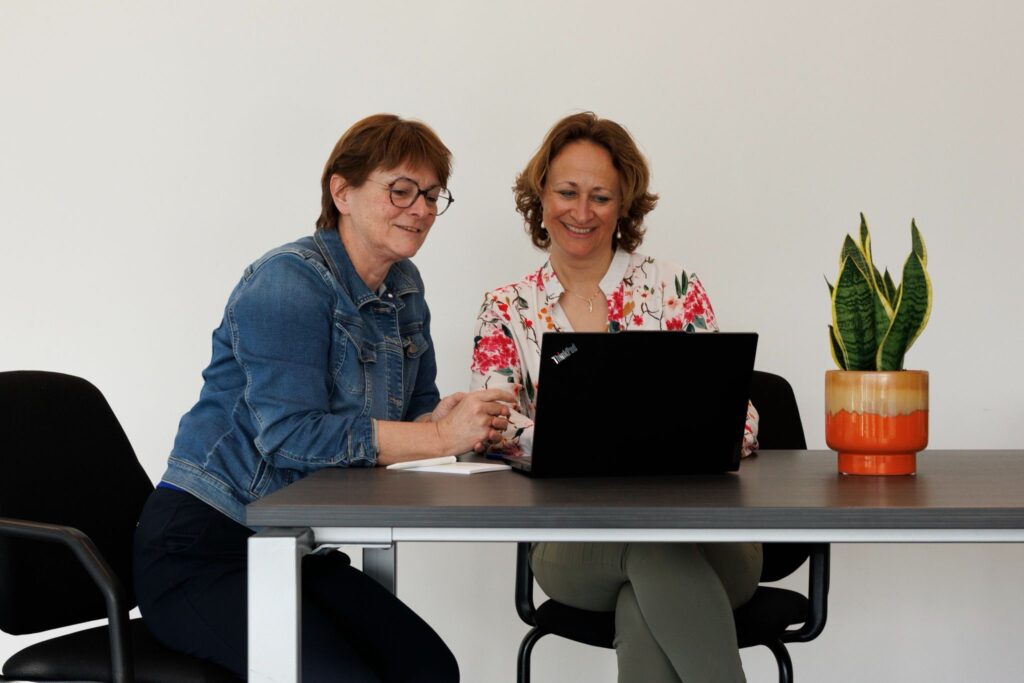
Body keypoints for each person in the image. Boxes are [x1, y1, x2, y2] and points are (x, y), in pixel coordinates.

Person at [134, 114, 513, 681]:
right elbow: (289, 439)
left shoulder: (404, 286)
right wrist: (436, 437)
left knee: (430, 669)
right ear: (342, 192)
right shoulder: (286, 283)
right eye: (401, 190)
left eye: (432, 195)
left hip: (292, 546)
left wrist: (443, 421)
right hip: (203, 548)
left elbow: (408, 420)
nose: (421, 209)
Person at [470, 112, 761, 683]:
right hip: (573, 545)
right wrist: (596, 443)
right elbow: (491, 425)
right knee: (651, 554)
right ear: (540, 196)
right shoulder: (506, 307)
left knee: (649, 584)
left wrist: (620, 443)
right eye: (567, 193)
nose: (582, 212)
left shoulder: (676, 288)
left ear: (623, 203)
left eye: (600, 196)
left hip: (709, 538)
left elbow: (741, 419)